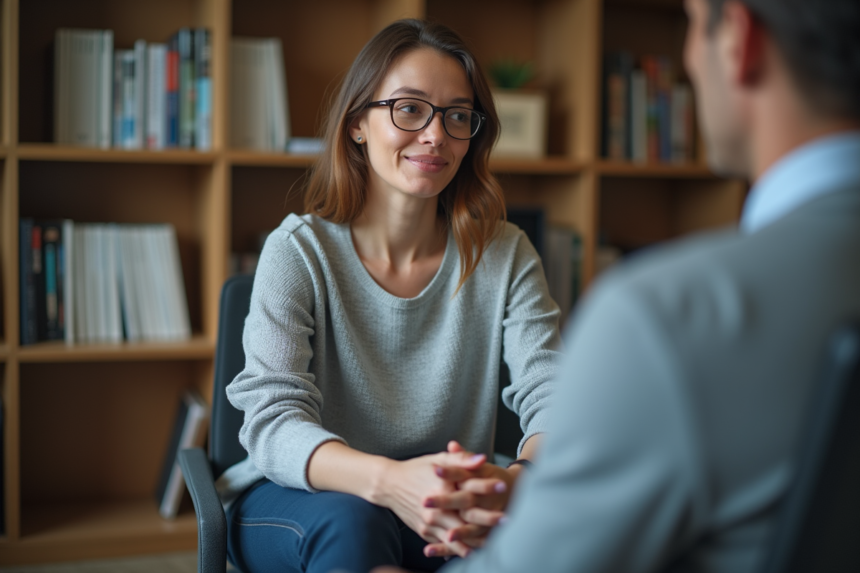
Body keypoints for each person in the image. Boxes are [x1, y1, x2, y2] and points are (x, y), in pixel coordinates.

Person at [376, 0, 860, 571]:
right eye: (411, 109)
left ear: (738, 38)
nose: (435, 134)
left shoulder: (665, 316)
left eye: (691, 26)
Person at [214, 19, 562, 573]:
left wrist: (515, 483)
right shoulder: (297, 251)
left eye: (456, 116)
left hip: (437, 498)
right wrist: (390, 481)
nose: (434, 135)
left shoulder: (505, 253)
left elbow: (554, 398)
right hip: (305, 495)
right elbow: (272, 424)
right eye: (409, 108)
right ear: (358, 124)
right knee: (356, 524)